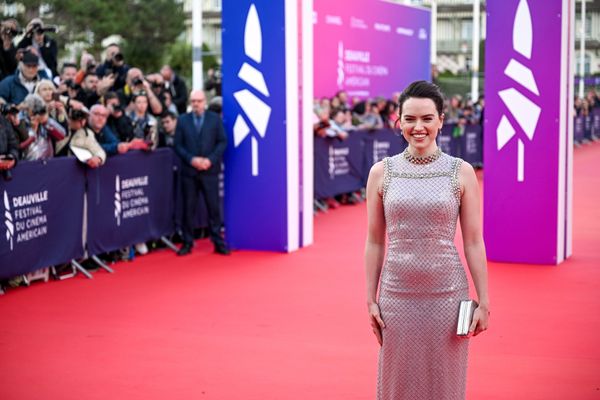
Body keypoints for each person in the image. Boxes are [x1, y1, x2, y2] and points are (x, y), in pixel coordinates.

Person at [364, 81, 489, 400]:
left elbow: (473, 241)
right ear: (399, 121)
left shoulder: (460, 172)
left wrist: (484, 300)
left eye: (427, 119)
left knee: (445, 384)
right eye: (410, 119)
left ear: (441, 120)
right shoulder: (382, 172)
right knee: (397, 384)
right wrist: (370, 298)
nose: (418, 127)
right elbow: (375, 241)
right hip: (396, 294)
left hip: (449, 296)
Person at [174, 89, 229, 256]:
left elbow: (222, 141)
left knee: (214, 208)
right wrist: (192, 159)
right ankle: (187, 242)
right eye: (193, 101)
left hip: (209, 171)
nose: (196, 104)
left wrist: (210, 160)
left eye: (198, 101)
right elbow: (178, 145)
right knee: (188, 208)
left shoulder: (214, 120)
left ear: (205, 101)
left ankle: (217, 241)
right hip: (189, 172)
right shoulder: (183, 120)